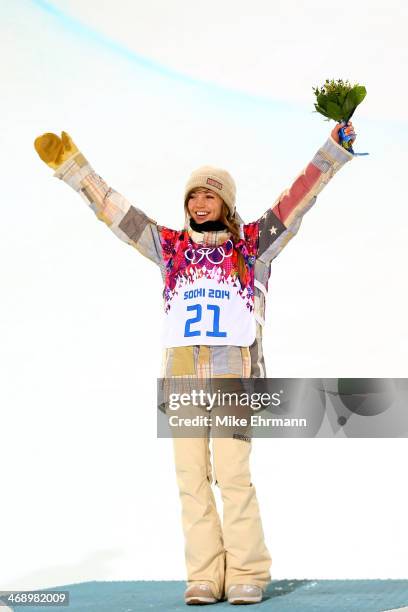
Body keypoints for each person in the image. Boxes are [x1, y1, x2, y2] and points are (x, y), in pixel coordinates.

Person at [33, 120, 356, 605]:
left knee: (232, 476)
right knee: (190, 480)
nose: (199, 204)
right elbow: (117, 212)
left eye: (209, 196)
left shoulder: (252, 246)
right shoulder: (170, 249)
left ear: (226, 202)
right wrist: (73, 169)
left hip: (233, 381)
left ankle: (248, 569)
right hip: (182, 380)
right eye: (192, 197)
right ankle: (204, 573)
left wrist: (333, 149)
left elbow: (297, 201)